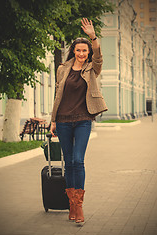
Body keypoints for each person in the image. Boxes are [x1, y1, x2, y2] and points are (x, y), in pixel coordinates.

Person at [50, 18, 108, 223]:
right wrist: (53, 120)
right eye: (78, 51)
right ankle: (71, 205)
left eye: (85, 51)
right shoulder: (62, 69)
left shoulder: (93, 68)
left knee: (78, 160)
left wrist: (93, 36)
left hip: (83, 119)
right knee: (69, 163)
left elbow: (99, 57)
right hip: (64, 120)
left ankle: (79, 206)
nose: (82, 54)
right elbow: (58, 95)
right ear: (73, 51)